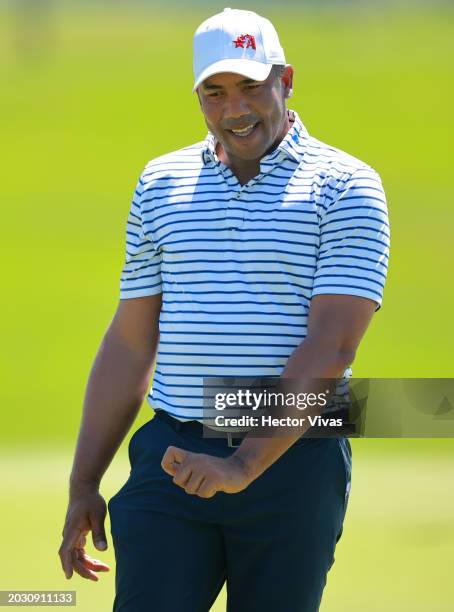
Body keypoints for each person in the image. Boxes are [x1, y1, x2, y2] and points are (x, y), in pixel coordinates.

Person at [58, 7, 390, 611]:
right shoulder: (161, 182)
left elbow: (334, 347)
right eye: (214, 92)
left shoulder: (346, 186)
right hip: (173, 456)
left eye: (250, 87)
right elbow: (132, 342)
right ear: (198, 97)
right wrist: (84, 483)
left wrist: (242, 464)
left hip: (293, 462)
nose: (235, 110)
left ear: (286, 81)